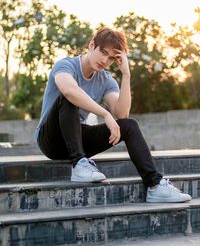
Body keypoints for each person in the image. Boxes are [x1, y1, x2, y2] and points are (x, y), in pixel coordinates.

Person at [35, 27, 191, 203]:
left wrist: (126, 74)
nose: (105, 60)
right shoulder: (66, 65)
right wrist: (105, 114)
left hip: (76, 138)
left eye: (111, 58)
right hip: (50, 139)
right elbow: (69, 91)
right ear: (91, 45)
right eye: (103, 52)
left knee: (129, 125)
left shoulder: (105, 79)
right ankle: (79, 164)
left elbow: (121, 113)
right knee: (69, 98)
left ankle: (155, 185)